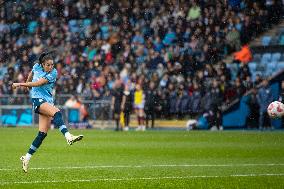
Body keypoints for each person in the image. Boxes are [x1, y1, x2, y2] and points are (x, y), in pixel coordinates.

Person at [12, 52, 83, 173]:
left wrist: (21, 84)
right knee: (57, 113)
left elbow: (38, 83)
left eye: (52, 65)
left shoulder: (53, 73)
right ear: (42, 64)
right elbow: (31, 76)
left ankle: (26, 158)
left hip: (48, 101)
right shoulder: (36, 67)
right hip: (38, 100)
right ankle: (68, 136)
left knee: (42, 134)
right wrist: (27, 84)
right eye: (48, 65)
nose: (51, 67)